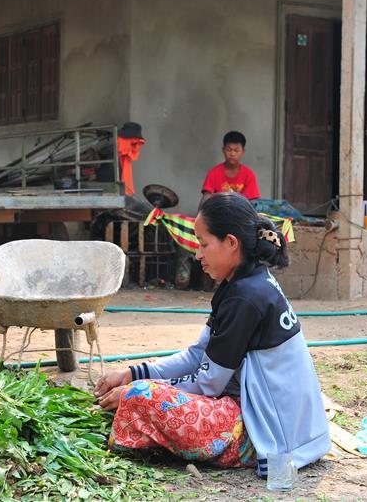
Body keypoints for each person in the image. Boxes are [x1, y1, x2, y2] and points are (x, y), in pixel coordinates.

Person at [94, 193, 330, 476]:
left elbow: (207, 385)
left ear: (231, 243)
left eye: (204, 244)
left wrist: (136, 388)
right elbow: (197, 355)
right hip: (271, 419)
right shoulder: (243, 284)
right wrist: (133, 373)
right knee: (140, 389)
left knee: (140, 397)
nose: (198, 254)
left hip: (264, 434)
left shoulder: (246, 297)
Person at [200, 131, 260, 207]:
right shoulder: (214, 173)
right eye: (229, 150)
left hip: (242, 212)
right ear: (223, 150)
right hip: (219, 211)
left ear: (243, 152)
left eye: (236, 150)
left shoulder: (248, 175)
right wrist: (200, 213)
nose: (232, 154)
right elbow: (206, 198)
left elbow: (252, 202)